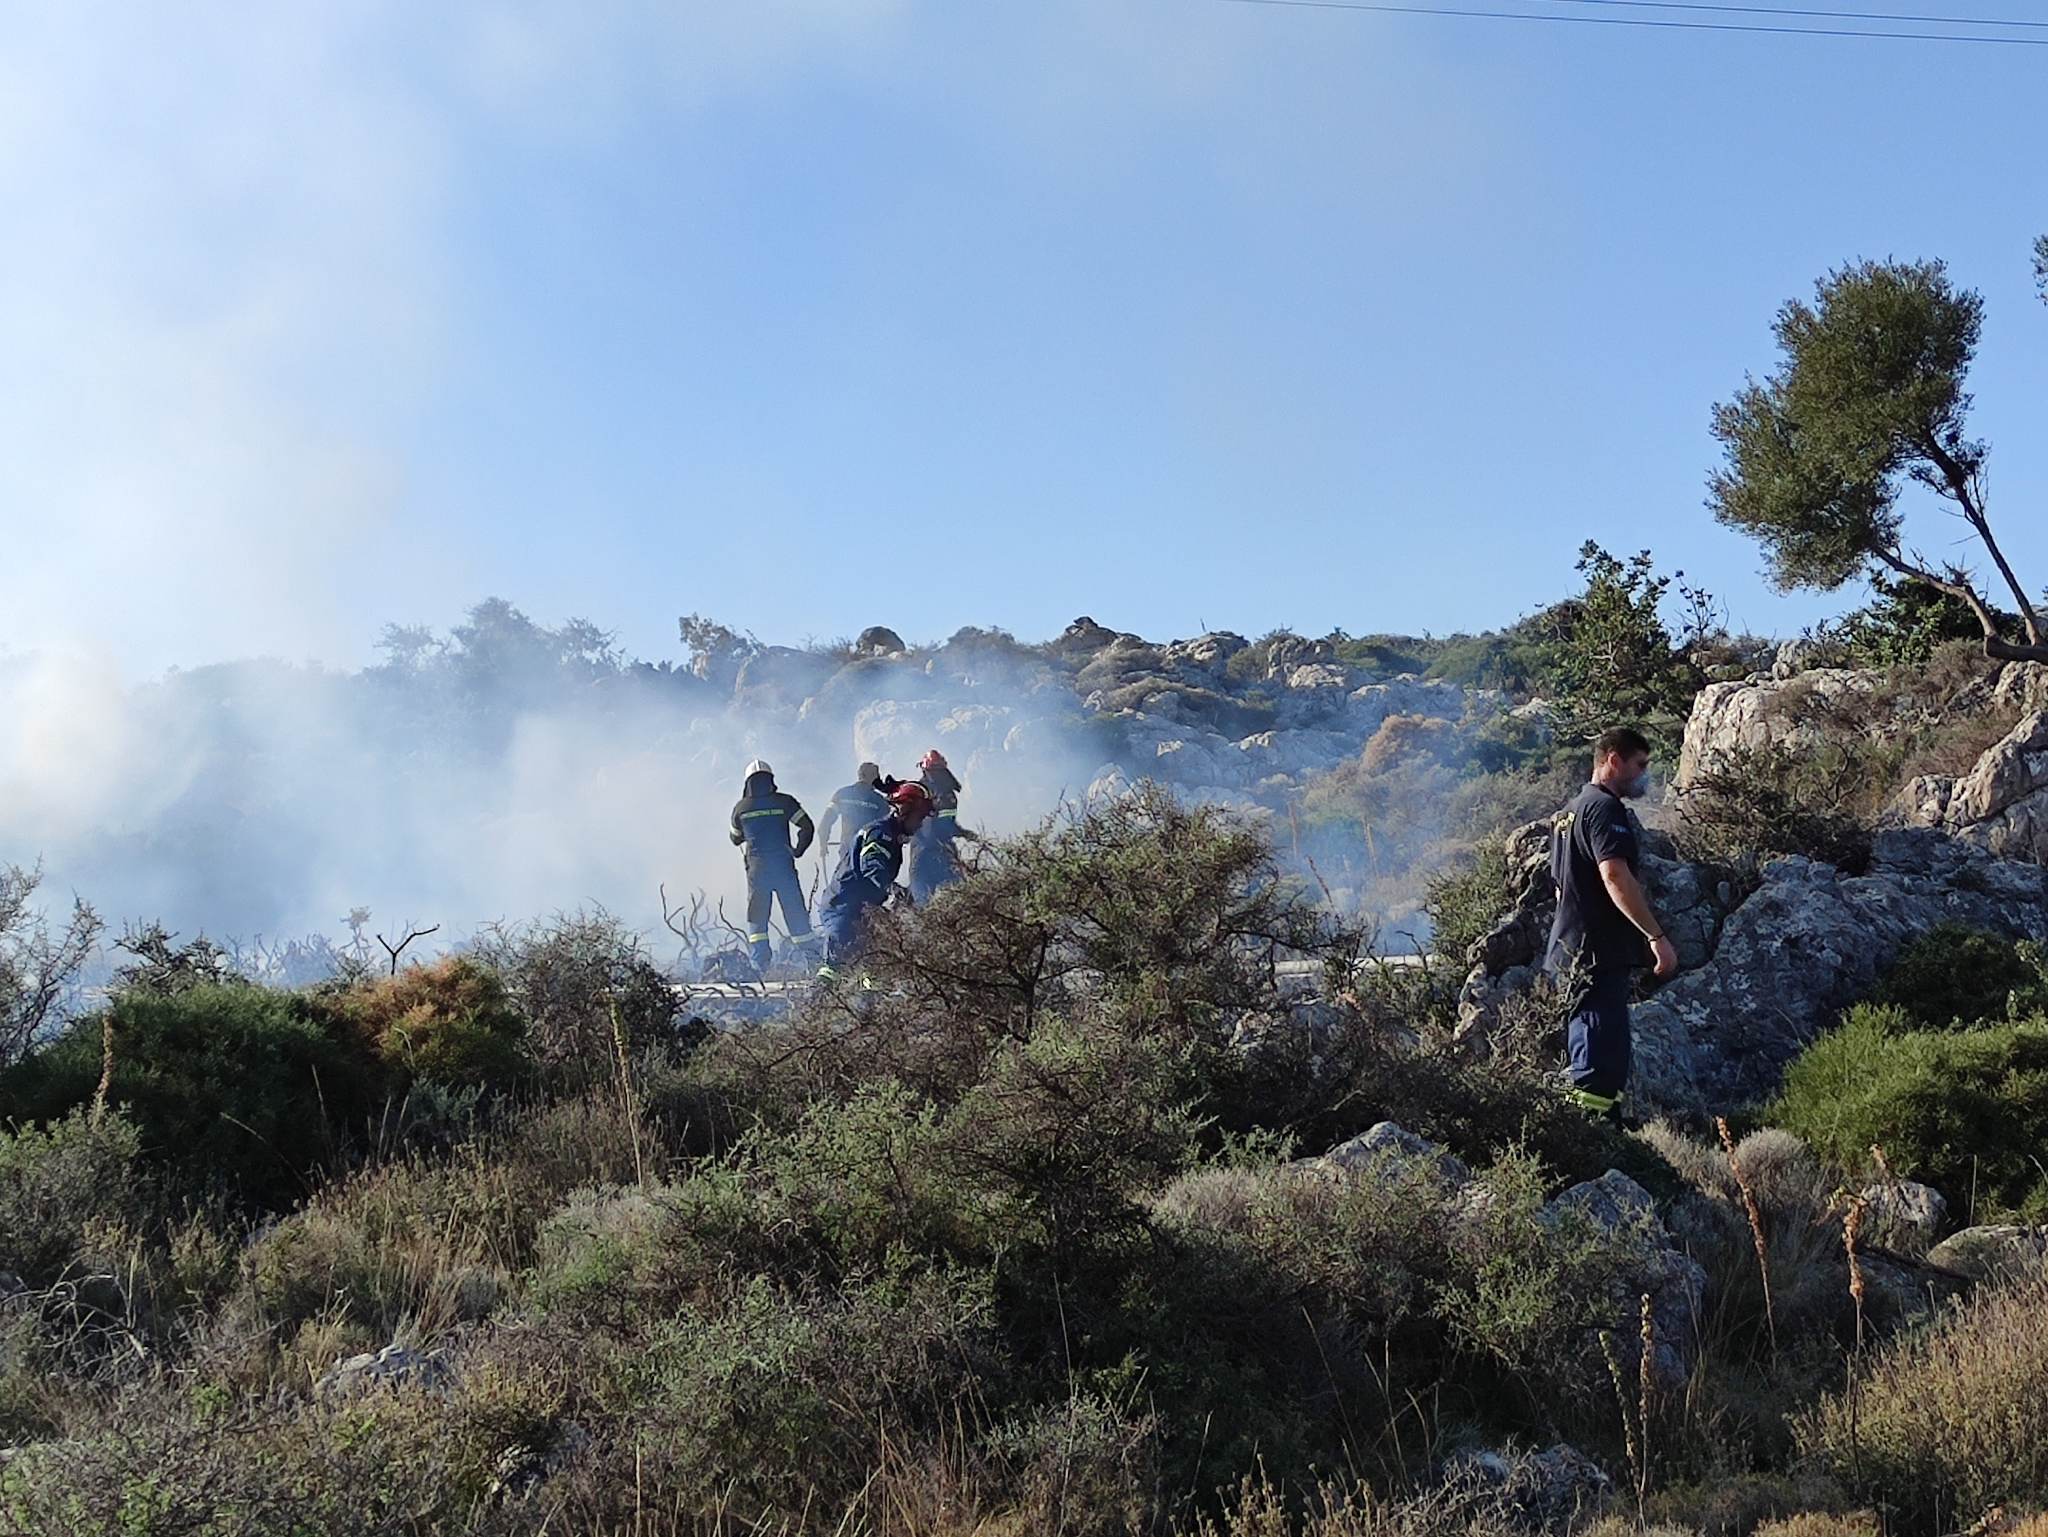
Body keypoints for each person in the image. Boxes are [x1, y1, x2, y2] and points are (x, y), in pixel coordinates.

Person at [1542, 726, 1679, 1121]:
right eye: (1639, 765)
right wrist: (1656, 936)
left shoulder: (1568, 812)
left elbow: (1559, 889)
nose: (1643, 775)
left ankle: (1596, 1135)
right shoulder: (1604, 809)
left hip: (1572, 952)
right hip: (1596, 956)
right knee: (1599, 1058)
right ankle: (1592, 1141)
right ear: (1613, 760)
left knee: (1595, 1050)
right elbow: (1615, 875)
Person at [817, 779, 933, 983]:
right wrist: (892, 892)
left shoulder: (890, 833)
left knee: (874, 971)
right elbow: (872, 866)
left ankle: (868, 1011)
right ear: (903, 811)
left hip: (862, 910)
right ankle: (812, 1009)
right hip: (844, 910)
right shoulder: (880, 834)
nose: (921, 823)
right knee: (834, 973)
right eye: (919, 816)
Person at [728, 758, 816, 973]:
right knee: (795, 912)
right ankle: (813, 962)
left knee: (757, 916)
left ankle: (760, 966)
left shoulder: (741, 808)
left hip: (757, 871)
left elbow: (735, 838)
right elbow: (807, 827)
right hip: (783, 868)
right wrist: (798, 850)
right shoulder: (785, 802)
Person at [908, 748, 979, 904]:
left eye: (938, 770)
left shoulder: (947, 796)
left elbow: (946, 824)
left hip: (941, 852)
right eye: (933, 770)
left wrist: (964, 833)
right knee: (923, 902)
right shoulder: (918, 794)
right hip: (924, 853)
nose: (935, 774)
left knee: (962, 899)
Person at [818, 761, 890, 862]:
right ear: (874, 777)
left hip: (847, 851)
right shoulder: (880, 801)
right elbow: (888, 829)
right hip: (872, 854)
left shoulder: (842, 794)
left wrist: (823, 844)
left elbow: (825, 823)